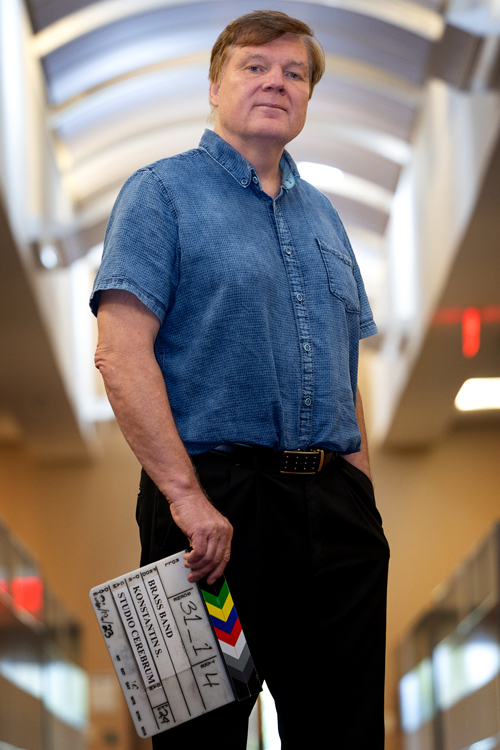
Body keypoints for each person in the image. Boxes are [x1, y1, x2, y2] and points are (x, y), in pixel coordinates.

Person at [91, 10, 389, 749]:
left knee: (345, 734)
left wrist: (363, 502)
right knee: (201, 738)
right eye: (256, 66)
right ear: (216, 85)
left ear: (308, 99)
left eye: (294, 73)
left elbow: (346, 368)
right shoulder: (159, 194)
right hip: (212, 517)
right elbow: (120, 354)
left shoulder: (326, 217)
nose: (275, 83)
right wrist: (187, 501)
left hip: (334, 513)